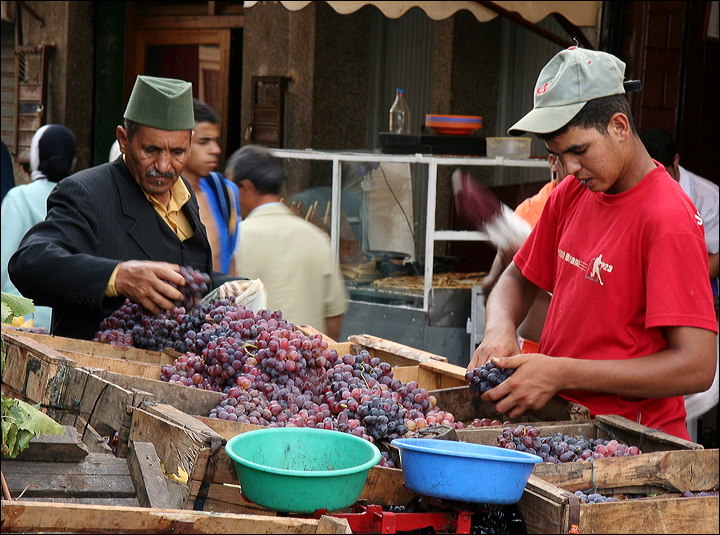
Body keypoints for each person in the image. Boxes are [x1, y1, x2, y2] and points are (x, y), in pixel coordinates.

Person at [467, 46, 717, 440]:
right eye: (557, 155)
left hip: (631, 446)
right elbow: (517, 277)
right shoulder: (571, 193)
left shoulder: (667, 218)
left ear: (619, 126)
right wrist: (500, 328)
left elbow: (697, 366)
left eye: (579, 151)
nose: (569, 168)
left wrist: (561, 371)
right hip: (564, 428)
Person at [8, 75, 238, 341]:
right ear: (123, 139)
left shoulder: (185, 194)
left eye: (177, 152)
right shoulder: (87, 192)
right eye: (151, 150)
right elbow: (29, 262)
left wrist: (233, 286)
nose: (164, 166)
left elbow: (184, 274)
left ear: (190, 141)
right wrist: (117, 277)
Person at [638, 128, 720, 439]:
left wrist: (677, 276)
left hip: (699, 288)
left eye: (666, 169)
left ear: (676, 161)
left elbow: (715, 256)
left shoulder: (707, 197)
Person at [227, 144, 348, 341]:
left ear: (247, 187)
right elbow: (334, 319)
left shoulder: (235, 238)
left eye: (231, 188)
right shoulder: (317, 237)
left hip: (252, 364)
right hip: (309, 361)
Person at [480, 154, 567, 354]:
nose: (575, 166)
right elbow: (490, 289)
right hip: (532, 349)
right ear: (553, 161)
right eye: (568, 155)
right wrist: (506, 257)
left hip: (582, 359)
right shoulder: (530, 213)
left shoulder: (600, 206)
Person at [2, 124, 77, 330]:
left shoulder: (18, 198)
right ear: (72, 161)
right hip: (61, 322)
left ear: (36, 157)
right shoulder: (77, 200)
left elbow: (2, 263)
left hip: (17, 320)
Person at [183, 99, 241, 275]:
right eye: (204, 141)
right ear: (180, 142)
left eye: (216, 140)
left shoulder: (224, 192)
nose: (215, 149)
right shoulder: (159, 195)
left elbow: (230, 258)